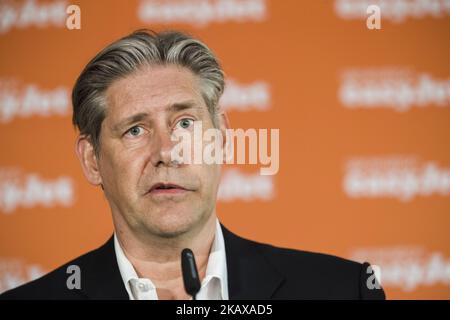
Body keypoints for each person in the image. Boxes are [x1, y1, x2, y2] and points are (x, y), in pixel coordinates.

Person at [1, 30, 385, 300]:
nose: (167, 151)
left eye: (185, 123)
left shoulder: (341, 289)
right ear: (92, 160)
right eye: (135, 130)